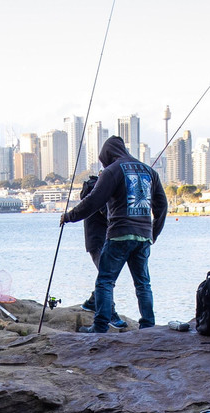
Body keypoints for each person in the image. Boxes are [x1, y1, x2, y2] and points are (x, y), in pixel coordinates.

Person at [60, 136, 167, 333]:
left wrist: (69, 217)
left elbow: (93, 202)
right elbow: (162, 206)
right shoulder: (150, 172)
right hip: (143, 237)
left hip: (119, 234)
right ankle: (148, 326)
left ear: (107, 155)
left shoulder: (112, 171)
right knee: (143, 283)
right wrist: (153, 233)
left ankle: (100, 326)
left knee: (105, 281)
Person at [77, 173, 126, 329]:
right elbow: (109, 214)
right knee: (107, 277)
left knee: (107, 276)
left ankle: (92, 302)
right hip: (98, 240)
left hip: (101, 239)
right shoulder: (96, 191)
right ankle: (110, 313)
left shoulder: (100, 189)